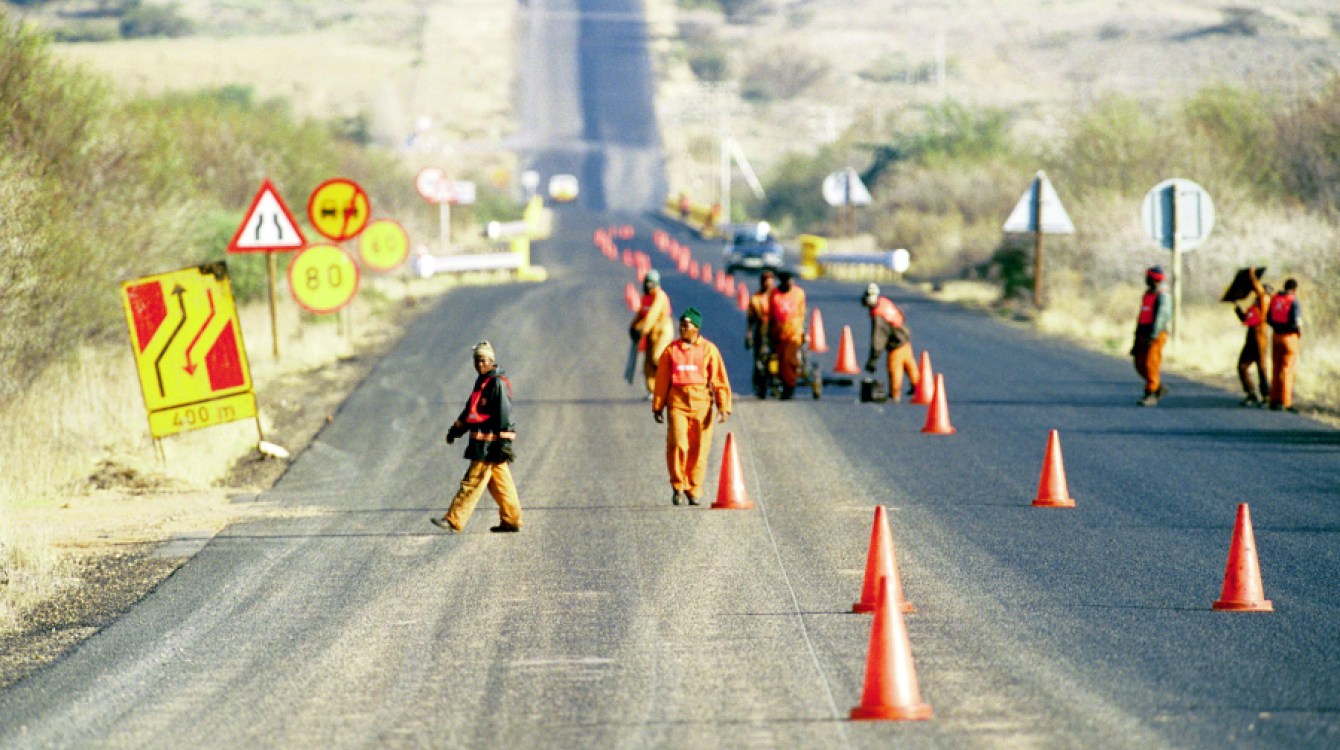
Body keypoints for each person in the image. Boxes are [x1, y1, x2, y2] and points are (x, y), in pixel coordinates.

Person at [431, 341, 522, 533]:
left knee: (472, 483)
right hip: (483, 446)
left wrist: (505, 445)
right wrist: (455, 430)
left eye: (483, 361)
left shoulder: (497, 383)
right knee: (502, 485)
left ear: (491, 360)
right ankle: (512, 520)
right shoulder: (483, 382)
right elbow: (470, 411)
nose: (479, 365)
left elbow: (505, 416)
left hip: (489, 448)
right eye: (477, 362)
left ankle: (454, 519)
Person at [653, 308, 732, 506]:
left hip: (702, 405)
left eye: (686, 325)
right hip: (677, 403)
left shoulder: (708, 349)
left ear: (696, 328)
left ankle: (694, 489)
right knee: (678, 443)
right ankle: (678, 486)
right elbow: (662, 380)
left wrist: (723, 406)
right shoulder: (671, 351)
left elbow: (719, 379)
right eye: (680, 324)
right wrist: (658, 406)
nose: (682, 328)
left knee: (700, 448)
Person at [862, 283, 919, 401]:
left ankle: (895, 393)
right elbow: (900, 314)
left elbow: (877, 341)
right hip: (904, 336)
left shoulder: (878, 316)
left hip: (896, 344)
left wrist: (872, 360)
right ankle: (919, 387)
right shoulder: (884, 301)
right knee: (910, 365)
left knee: (895, 368)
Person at [629, 269, 674, 397]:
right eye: (647, 283)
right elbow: (641, 314)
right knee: (648, 363)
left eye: (651, 283)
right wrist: (633, 327)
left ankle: (671, 383)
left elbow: (652, 315)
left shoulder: (660, 296)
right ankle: (653, 391)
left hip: (662, 330)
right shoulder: (645, 298)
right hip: (650, 332)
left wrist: (642, 329)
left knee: (657, 357)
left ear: (656, 284)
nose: (649, 286)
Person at [1131, 266, 1172, 406]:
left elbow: (1162, 317)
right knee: (1139, 364)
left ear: (1154, 280)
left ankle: (1151, 394)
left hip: (1156, 334)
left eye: (1148, 277)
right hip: (1143, 333)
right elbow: (1142, 315)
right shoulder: (1148, 293)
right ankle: (1158, 386)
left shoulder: (1163, 295)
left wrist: (1153, 336)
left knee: (1151, 364)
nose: (1146, 279)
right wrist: (1136, 338)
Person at [1232, 268, 1272, 406]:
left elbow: (1260, 292)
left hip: (1260, 341)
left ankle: (1266, 396)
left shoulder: (1265, 300)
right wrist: (1237, 306)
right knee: (1242, 366)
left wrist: (1252, 277)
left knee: (1262, 369)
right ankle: (1251, 393)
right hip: (1251, 341)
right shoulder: (1255, 306)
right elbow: (1245, 319)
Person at [767, 270, 807, 400]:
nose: (790, 284)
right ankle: (782, 383)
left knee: (788, 359)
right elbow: (771, 314)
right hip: (778, 331)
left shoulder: (799, 293)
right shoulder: (774, 293)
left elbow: (802, 313)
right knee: (778, 360)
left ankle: (789, 386)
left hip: (794, 330)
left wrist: (802, 330)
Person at [1267, 278, 1303, 412]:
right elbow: (1296, 322)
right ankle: (1286, 402)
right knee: (1288, 370)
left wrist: (1277, 327)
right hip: (1289, 337)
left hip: (1276, 336)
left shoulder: (1274, 299)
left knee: (1275, 369)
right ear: (1294, 289)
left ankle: (1274, 399)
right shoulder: (1293, 301)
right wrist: (1298, 333)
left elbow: (1268, 319)